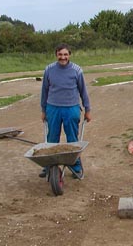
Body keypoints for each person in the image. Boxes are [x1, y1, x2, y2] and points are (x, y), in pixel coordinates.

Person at [40, 43, 92, 179]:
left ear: (69, 55)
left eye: (65, 54)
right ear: (56, 54)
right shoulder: (49, 70)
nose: (63, 57)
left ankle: (76, 167)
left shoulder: (77, 70)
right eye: (60, 54)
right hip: (53, 108)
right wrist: (43, 110)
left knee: (72, 140)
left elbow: (83, 91)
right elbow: (44, 91)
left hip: (71, 108)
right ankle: (49, 167)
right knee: (52, 139)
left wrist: (88, 109)